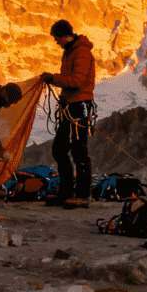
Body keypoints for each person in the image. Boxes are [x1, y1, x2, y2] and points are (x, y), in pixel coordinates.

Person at [41, 19, 96, 209]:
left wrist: (53, 78)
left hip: (79, 106)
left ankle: (81, 195)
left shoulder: (81, 52)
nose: (56, 42)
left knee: (79, 150)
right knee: (60, 148)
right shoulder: (70, 52)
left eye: (57, 38)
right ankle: (66, 192)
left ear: (65, 36)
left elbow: (77, 80)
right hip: (71, 105)